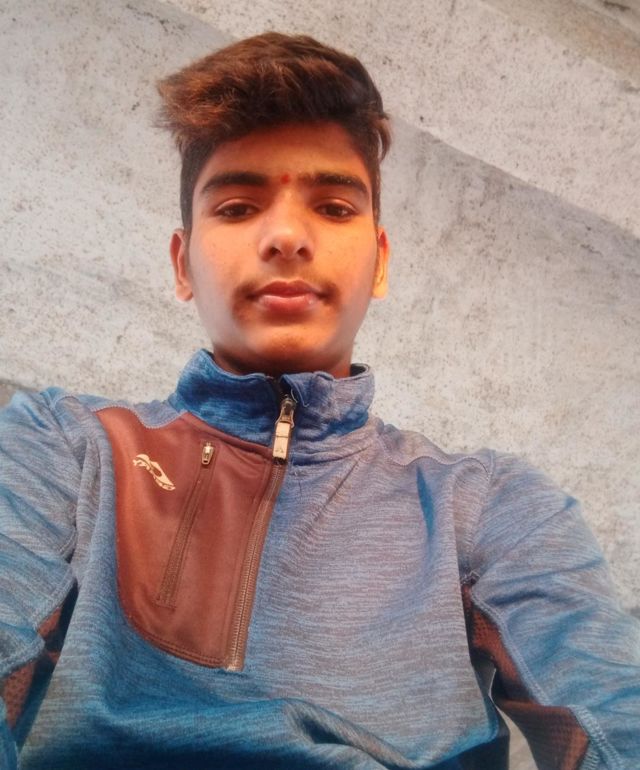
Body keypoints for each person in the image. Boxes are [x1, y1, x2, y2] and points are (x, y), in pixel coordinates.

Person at [0, 32, 638, 770]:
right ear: (183, 264)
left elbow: (614, 716)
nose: (286, 236)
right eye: (237, 207)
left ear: (380, 263)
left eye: (334, 208)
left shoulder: (490, 503)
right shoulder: (64, 445)